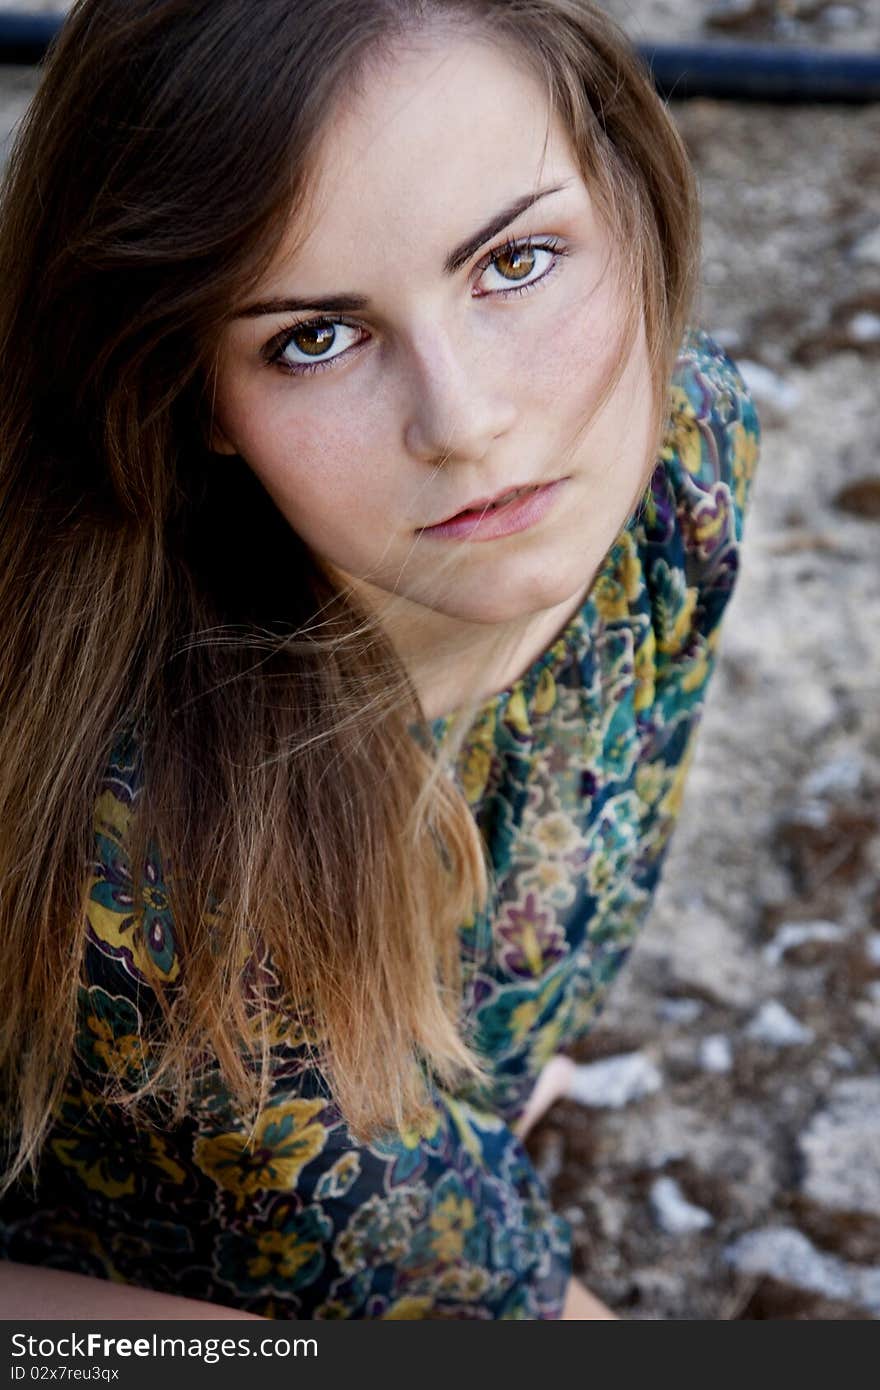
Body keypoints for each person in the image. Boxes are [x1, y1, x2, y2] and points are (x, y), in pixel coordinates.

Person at [0, 0, 761, 1321]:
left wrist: (474, 1087)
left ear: (632, 199)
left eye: (517, 261)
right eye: (314, 336)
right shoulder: (167, 859)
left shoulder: (682, 465)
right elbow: (469, 1300)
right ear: (199, 398)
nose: (468, 423)